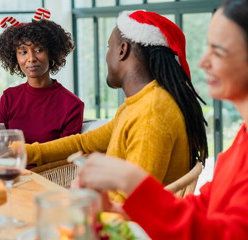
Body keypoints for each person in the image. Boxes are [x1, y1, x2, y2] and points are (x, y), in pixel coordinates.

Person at [78, 0, 248, 239]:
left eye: (218, 51)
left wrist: (132, 181)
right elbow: (205, 206)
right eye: (208, 47)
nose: (203, 62)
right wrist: (119, 212)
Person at [23, 10, 208, 202]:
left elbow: (130, 203)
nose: (106, 56)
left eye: (108, 47)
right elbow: (83, 143)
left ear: (122, 50)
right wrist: (25, 152)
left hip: (124, 226)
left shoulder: (151, 113)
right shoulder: (139, 104)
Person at [0, 8, 84, 164]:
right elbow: (0, 145)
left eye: (39, 50)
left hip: (47, 179)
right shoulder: (9, 97)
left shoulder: (72, 105)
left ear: (52, 54)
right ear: (15, 57)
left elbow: (63, 156)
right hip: (8, 172)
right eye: (23, 52)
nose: (31, 58)